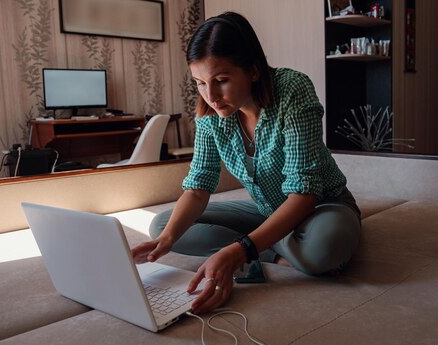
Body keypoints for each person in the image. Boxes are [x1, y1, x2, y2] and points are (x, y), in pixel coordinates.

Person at [131, 12, 361, 314]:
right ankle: (272, 251)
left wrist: (239, 250)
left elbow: (304, 194)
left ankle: (257, 248)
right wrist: (167, 240)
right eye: (200, 83)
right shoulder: (211, 114)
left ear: (253, 70)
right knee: (163, 225)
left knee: (325, 247)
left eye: (221, 81)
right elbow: (198, 187)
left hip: (321, 205)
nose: (210, 95)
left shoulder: (292, 90)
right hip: (267, 211)